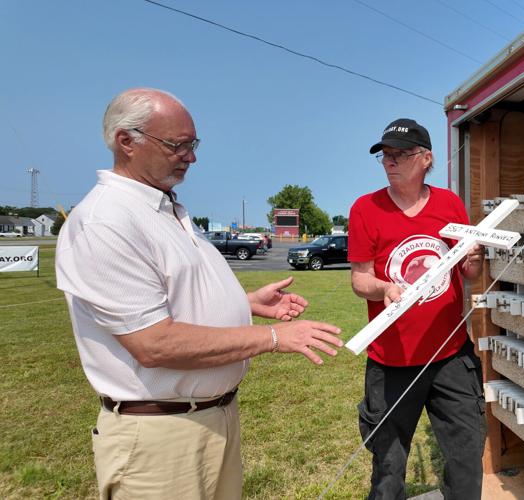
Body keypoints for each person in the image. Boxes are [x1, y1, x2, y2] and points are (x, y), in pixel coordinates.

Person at [55, 88, 343, 500]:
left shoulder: (165, 208)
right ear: (126, 142)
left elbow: (169, 298)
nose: (191, 157)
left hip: (212, 419)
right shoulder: (106, 222)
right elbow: (153, 343)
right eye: (178, 145)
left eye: (194, 144)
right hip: (160, 440)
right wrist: (274, 338)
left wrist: (245, 304)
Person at [349, 118, 486, 499]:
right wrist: (384, 287)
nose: (391, 162)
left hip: (450, 356)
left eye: (401, 154)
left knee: (466, 458)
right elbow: (359, 279)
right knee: (389, 467)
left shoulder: (449, 204)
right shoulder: (365, 208)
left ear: (426, 158)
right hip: (391, 360)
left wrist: (474, 257)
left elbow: (469, 272)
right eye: (386, 156)